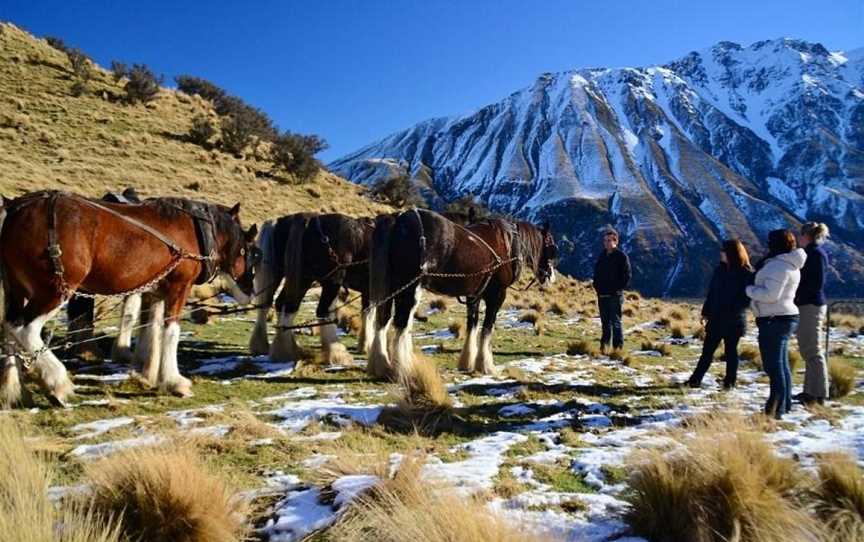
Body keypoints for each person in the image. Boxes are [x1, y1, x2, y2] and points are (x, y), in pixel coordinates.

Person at [746, 229, 806, 419]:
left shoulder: (778, 266)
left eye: (770, 241)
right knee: (781, 365)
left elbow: (770, 295)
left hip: (774, 318)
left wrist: (749, 289)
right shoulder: (790, 264)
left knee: (773, 366)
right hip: (783, 316)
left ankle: (775, 408)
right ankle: (784, 404)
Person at [686, 240, 754, 389]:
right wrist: (706, 312)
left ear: (732, 253)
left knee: (731, 352)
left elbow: (747, 298)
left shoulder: (746, 273)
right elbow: (712, 293)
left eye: (723, 251)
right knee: (707, 352)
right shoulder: (720, 270)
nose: (721, 253)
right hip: (716, 318)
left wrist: (731, 308)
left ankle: (730, 382)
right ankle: (695, 380)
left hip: (734, 320)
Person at [793, 222, 830, 405]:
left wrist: (798, 296)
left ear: (806, 235)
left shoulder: (815, 254)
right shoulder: (813, 253)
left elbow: (815, 283)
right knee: (808, 349)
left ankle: (819, 393)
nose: (798, 238)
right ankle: (810, 391)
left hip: (810, 306)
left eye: (800, 235)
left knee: (813, 350)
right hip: (808, 304)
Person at [593, 227, 631, 354]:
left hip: (615, 296)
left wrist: (617, 289)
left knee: (616, 322)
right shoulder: (602, 256)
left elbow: (627, 276)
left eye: (610, 240)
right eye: (605, 241)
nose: (607, 243)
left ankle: (617, 349)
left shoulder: (621, 257)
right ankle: (604, 347)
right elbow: (596, 274)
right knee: (605, 323)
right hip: (602, 295)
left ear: (616, 241)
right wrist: (597, 287)